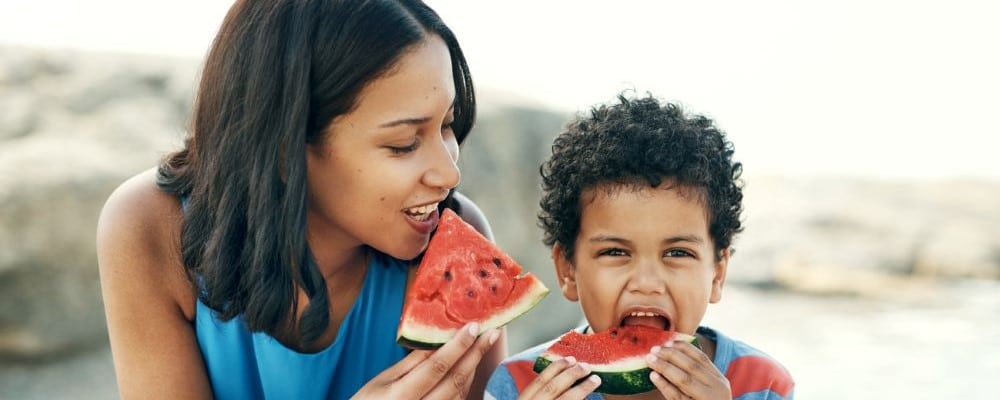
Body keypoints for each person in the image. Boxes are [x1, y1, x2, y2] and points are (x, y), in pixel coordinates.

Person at [96, 1, 506, 398]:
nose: (451, 175)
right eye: (402, 144)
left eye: (447, 125)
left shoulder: (459, 244)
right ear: (285, 146)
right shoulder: (149, 228)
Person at [485, 94, 794, 399]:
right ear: (568, 270)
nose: (647, 283)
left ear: (717, 274)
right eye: (615, 252)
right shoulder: (520, 383)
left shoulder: (764, 384)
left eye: (677, 253)